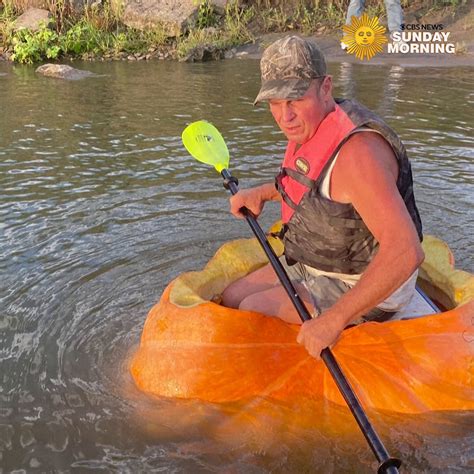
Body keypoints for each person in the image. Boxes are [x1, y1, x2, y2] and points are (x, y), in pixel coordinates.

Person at [222, 36, 424, 360]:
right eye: (275, 101)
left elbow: (406, 251)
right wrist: (260, 193)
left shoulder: (359, 155)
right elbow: (314, 185)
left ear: (326, 87)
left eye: (295, 99)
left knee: (251, 308)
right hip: (318, 261)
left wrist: (334, 319)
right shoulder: (312, 125)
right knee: (233, 297)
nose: (284, 115)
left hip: (363, 283)